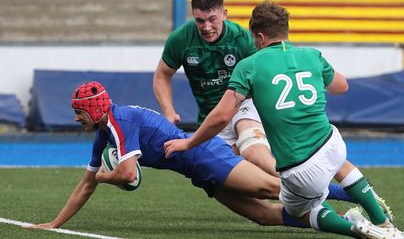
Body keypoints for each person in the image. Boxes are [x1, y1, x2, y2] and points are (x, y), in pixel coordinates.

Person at [163, 1, 404, 239]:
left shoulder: (249, 65)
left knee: (299, 211)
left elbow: (223, 116)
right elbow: (342, 86)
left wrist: (188, 142)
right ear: (286, 31)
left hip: (300, 167)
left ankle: (355, 228)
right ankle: (382, 221)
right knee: (338, 159)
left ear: (258, 37)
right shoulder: (312, 55)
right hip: (333, 144)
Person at [27, 81, 362, 231]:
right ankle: (346, 224)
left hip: (204, 155)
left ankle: (358, 195)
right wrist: (55, 224)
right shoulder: (105, 132)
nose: (75, 119)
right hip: (198, 170)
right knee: (264, 215)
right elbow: (85, 184)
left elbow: (128, 175)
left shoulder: (119, 121)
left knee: (274, 188)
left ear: (94, 109)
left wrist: (105, 176)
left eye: (78, 113)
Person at [153, 0, 277, 176]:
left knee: (255, 154)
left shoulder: (242, 39)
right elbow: (162, 75)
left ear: (224, 14)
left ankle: (306, 192)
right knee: (239, 185)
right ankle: (289, 201)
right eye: (200, 20)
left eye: (212, 19)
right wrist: (168, 111)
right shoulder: (181, 39)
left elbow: (264, 77)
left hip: (241, 105)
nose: (206, 27)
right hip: (210, 118)